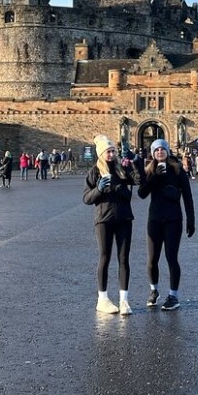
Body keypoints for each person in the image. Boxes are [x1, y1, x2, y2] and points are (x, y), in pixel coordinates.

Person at [82, 134, 141, 315]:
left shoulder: (122, 169)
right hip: (104, 220)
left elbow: (138, 180)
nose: (111, 154)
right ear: (101, 154)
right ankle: (103, 299)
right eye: (108, 151)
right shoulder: (94, 172)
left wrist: (132, 161)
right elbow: (86, 198)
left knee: (124, 259)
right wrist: (99, 189)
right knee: (105, 257)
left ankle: (124, 300)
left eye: (113, 151)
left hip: (124, 219)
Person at [138, 139, 195, 311]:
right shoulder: (149, 170)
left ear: (167, 151)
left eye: (163, 149)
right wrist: (154, 176)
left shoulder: (177, 170)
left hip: (173, 220)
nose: (160, 152)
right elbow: (141, 193)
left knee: (171, 258)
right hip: (154, 219)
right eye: (157, 150)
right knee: (152, 260)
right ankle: (153, 290)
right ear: (153, 154)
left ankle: (173, 296)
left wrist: (191, 219)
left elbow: (187, 196)